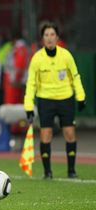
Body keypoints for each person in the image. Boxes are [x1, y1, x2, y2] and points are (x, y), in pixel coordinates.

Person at [24, 21, 86, 179]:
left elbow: (76, 77)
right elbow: (31, 83)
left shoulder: (66, 56)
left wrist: (80, 97)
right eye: (46, 35)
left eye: (52, 35)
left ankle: (71, 170)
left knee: (70, 133)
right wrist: (29, 106)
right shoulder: (37, 58)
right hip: (45, 100)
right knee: (45, 135)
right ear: (42, 38)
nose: (49, 38)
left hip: (65, 98)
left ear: (57, 37)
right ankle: (47, 172)